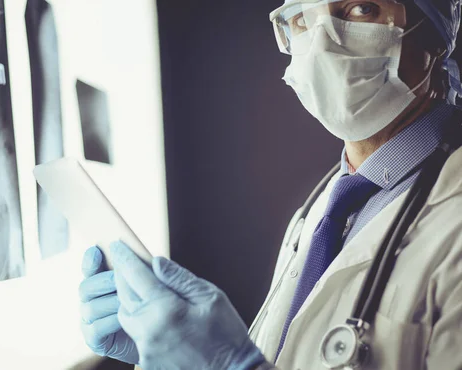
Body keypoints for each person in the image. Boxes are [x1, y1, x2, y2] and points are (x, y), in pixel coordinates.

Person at [78, 0, 462, 368]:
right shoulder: (325, 210)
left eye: (360, 9)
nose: (321, 43)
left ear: (435, 32)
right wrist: (167, 356)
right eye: (301, 19)